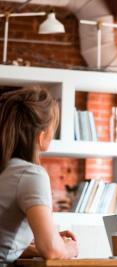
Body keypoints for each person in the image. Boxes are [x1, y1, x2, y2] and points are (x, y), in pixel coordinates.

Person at [0, 87, 79, 262]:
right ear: (42, 136)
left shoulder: (7, 169)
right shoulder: (30, 174)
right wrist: (66, 247)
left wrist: (45, 241)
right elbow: (52, 252)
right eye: (53, 127)